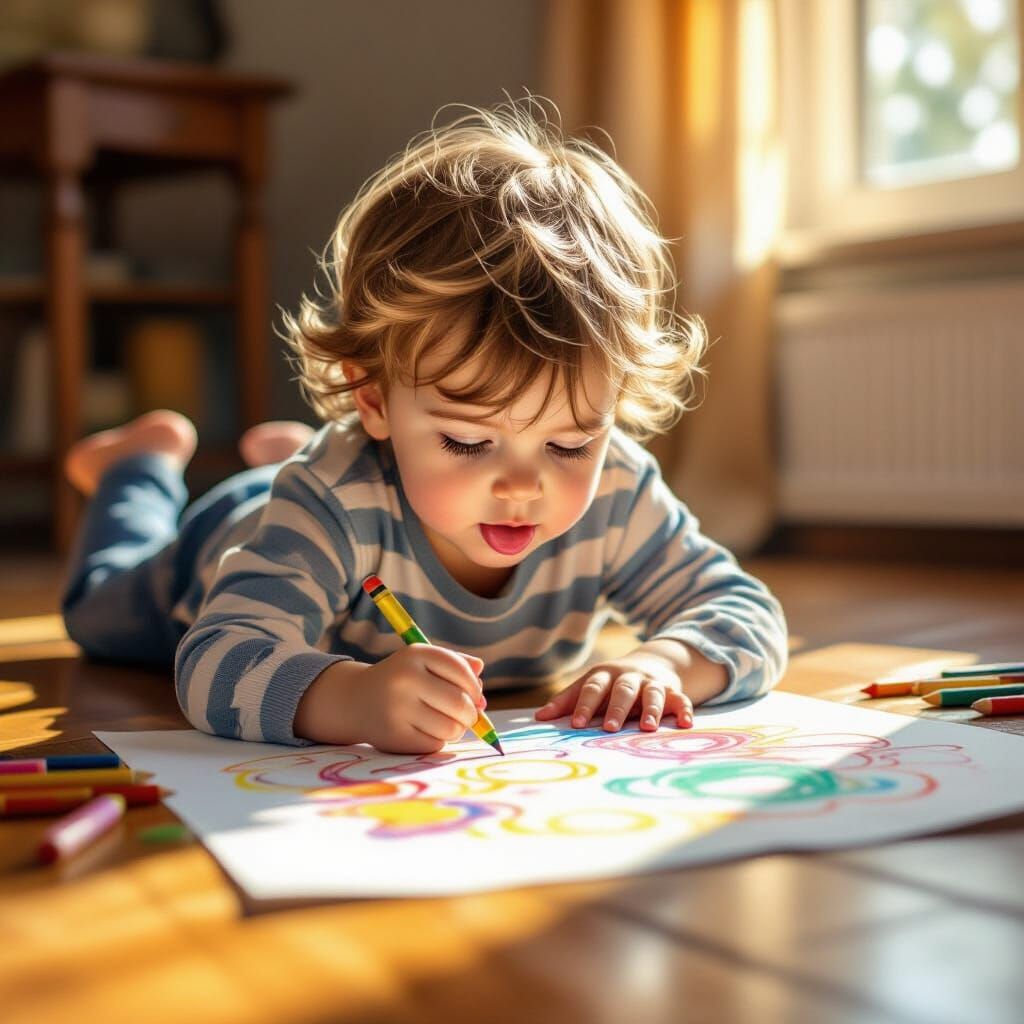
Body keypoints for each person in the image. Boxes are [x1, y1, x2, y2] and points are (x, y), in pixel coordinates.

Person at [61, 96, 787, 755]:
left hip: (342, 480)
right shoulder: (332, 504)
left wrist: (662, 663)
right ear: (372, 399)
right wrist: (350, 696)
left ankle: (289, 454)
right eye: (469, 441)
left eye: (570, 443)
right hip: (220, 551)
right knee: (97, 611)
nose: (523, 485)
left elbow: (745, 612)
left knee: (325, 480)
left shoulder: (619, 490)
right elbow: (219, 658)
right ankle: (140, 465)